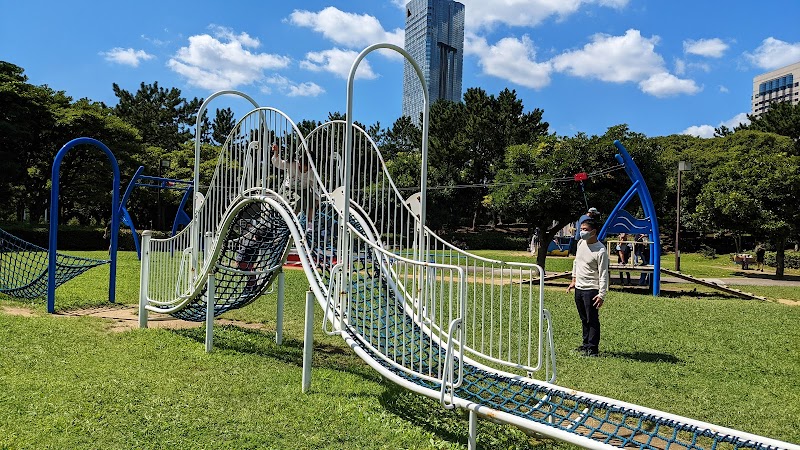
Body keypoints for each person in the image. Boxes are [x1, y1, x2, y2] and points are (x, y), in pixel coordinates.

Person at [567, 218, 609, 357]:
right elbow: (576, 262)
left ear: (594, 232)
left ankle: (592, 348)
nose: (582, 232)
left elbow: (603, 274)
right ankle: (585, 344)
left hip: (591, 289)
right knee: (584, 318)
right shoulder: (580, 243)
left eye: (585, 229)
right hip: (579, 288)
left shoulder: (601, 250)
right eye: (581, 229)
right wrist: (574, 279)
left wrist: (601, 294)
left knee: (592, 319)